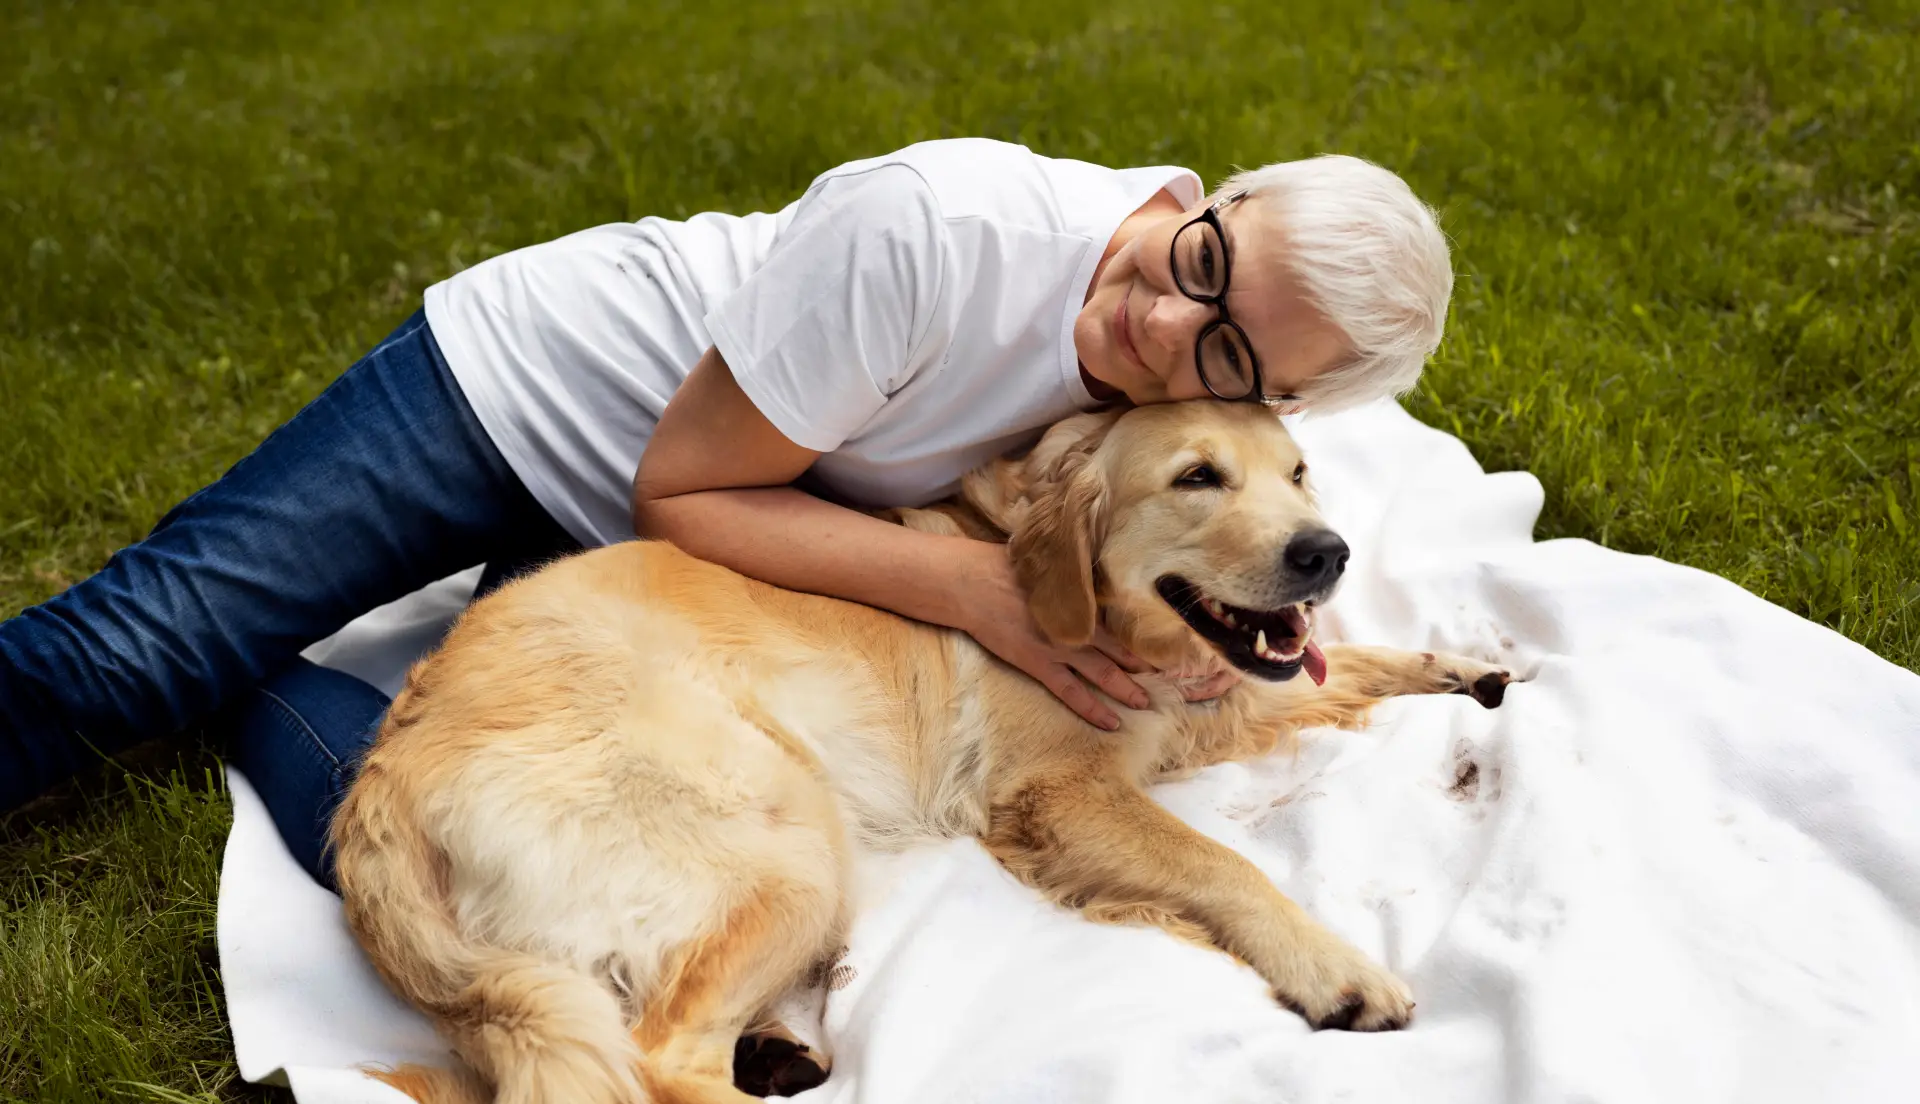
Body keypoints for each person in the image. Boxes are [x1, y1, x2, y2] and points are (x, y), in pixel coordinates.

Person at [0, 138, 1452, 887]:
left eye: (1232, 353)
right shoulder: (943, 229)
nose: (1161, 314)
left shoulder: (1178, 411)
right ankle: (235, 646)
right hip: (521, 403)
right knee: (133, 653)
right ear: (1215, 193)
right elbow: (684, 487)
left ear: (1288, 407)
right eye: (1201, 257)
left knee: (476, 820)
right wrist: (979, 595)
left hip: (665, 543)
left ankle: (271, 675)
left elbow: (1147, 540)